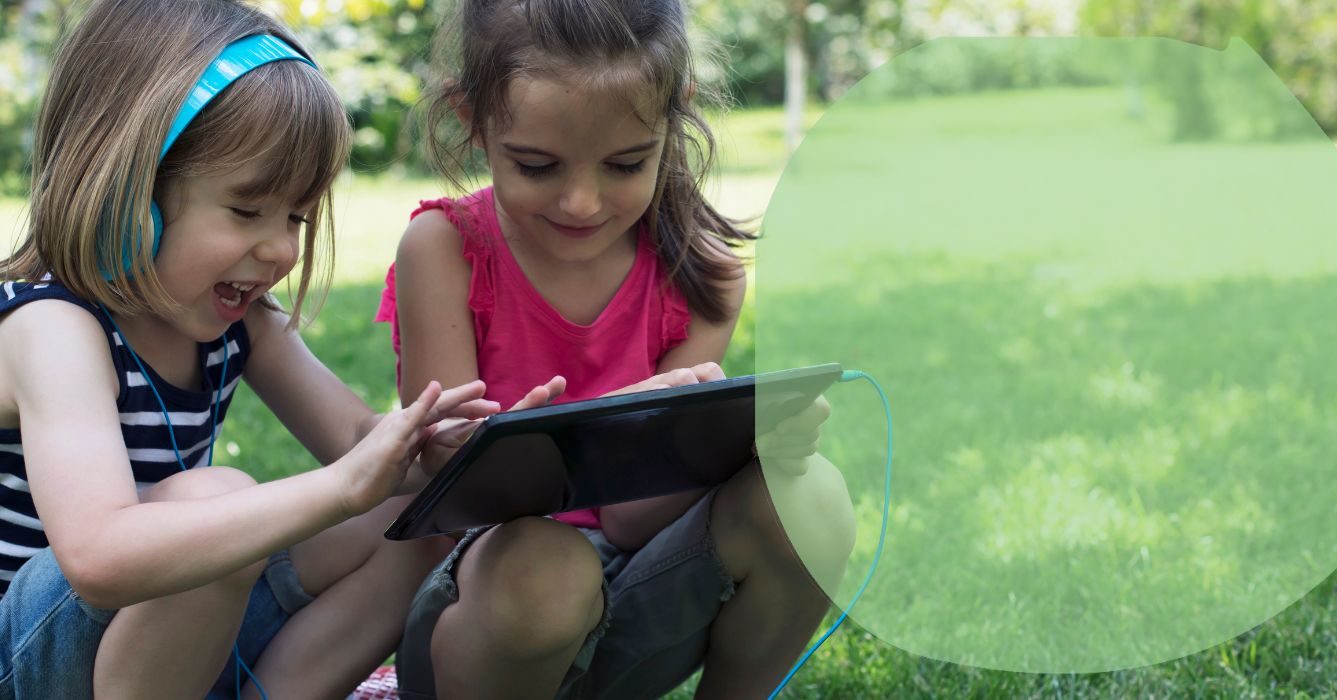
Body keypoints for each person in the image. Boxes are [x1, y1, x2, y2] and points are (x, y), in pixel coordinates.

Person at [0, 1, 507, 697]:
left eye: (296, 216)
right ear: (127, 193)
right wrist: (336, 488)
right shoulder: (53, 328)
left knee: (410, 524)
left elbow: (359, 444)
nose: (281, 250)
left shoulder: (241, 324)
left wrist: (436, 445)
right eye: (246, 209)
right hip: (30, 658)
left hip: (159, 637)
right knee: (213, 496)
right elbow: (97, 557)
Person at [374, 0, 858, 696]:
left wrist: (739, 442)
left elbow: (631, 521)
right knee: (547, 569)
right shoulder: (445, 249)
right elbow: (457, 485)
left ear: (674, 116)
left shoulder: (704, 274)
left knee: (808, 494)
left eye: (626, 164)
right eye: (538, 166)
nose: (581, 202)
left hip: (634, 604)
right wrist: (630, 416)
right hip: (486, 616)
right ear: (470, 118)